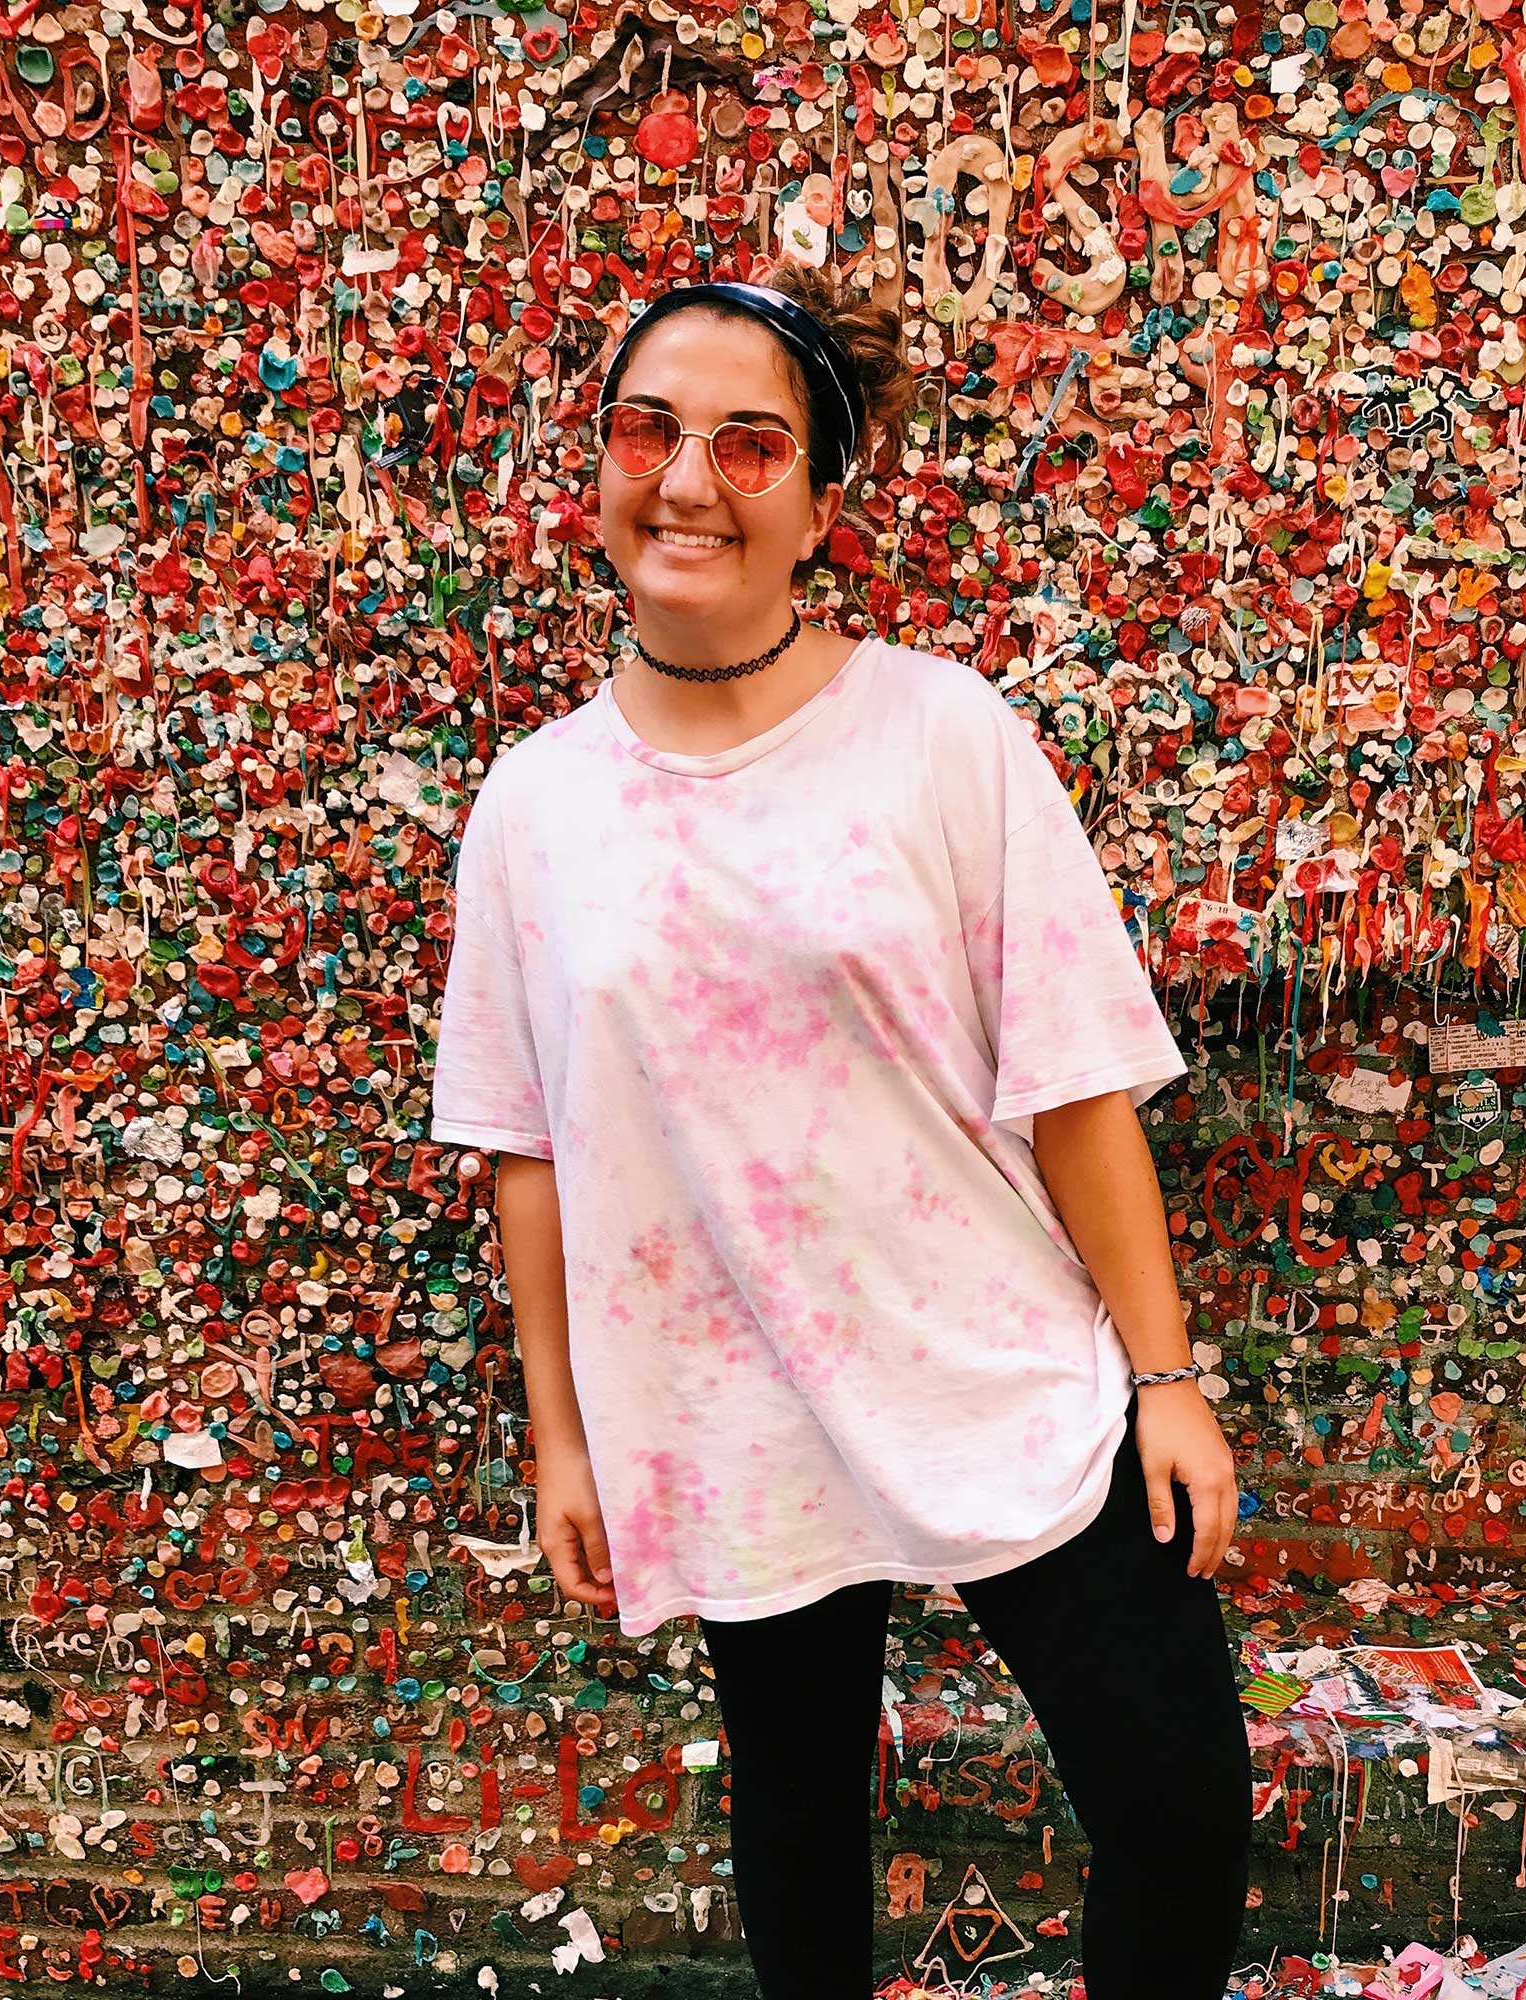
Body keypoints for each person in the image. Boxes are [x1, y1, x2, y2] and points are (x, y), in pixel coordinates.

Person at [429, 265, 1252, 1998]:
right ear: (594, 463)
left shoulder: (942, 733)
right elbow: (529, 1152)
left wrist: (1166, 1384)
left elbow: (1076, 1081)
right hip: (737, 1411)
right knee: (801, 1837)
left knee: (1178, 1809)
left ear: (818, 497)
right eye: (650, 430)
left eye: (750, 444)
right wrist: (564, 1442)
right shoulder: (535, 805)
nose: (688, 481)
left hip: (1000, 1375)